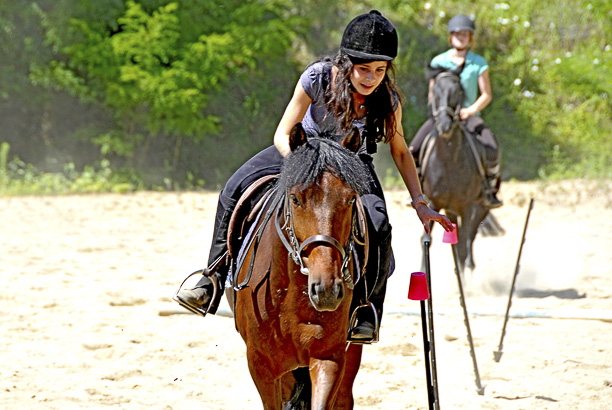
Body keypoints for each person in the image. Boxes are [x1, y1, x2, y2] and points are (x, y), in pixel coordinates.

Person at [175, 10, 453, 342]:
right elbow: (282, 132)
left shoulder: (388, 100)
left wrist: (420, 203)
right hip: (300, 151)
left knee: (379, 226)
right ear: (346, 63)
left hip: (352, 163)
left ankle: (366, 309)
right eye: (364, 70)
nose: (371, 79)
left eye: (379, 71)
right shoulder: (317, 78)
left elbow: (401, 152)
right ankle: (213, 278)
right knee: (233, 188)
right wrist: (301, 164)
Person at [409, 14, 502, 208]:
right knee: (413, 149)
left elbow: (486, 94)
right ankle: (418, 192)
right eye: (457, 34)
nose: (461, 37)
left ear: (470, 37)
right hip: (442, 116)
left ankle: (489, 189)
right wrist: (438, 114)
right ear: (450, 36)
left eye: (465, 34)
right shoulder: (438, 61)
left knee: (491, 147)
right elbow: (432, 94)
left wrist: (469, 111)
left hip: (468, 116)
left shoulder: (479, 63)